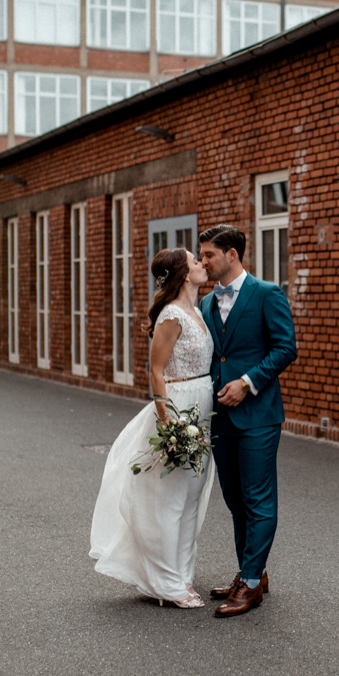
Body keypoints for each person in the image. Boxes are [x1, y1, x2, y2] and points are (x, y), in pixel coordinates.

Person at [89, 248, 216, 609]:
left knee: (193, 496)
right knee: (171, 501)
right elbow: (156, 371)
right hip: (179, 407)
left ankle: (182, 576)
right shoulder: (171, 315)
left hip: (202, 403)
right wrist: (169, 424)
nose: (201, 264)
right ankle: (166, 583)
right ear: (182, 273)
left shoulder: (197, 311)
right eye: (195, 261)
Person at [198, 224, 297, 618]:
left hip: (257, 415)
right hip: (221, 417)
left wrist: (247, 381)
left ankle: (252, 585)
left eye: (208, 255)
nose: (203, 261)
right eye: (201, 255)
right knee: (235, 499)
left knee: (258, 498)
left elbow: (286, 348)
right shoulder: (207, 303)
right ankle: (252, 571)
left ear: (232, 255)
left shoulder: (267, 294)